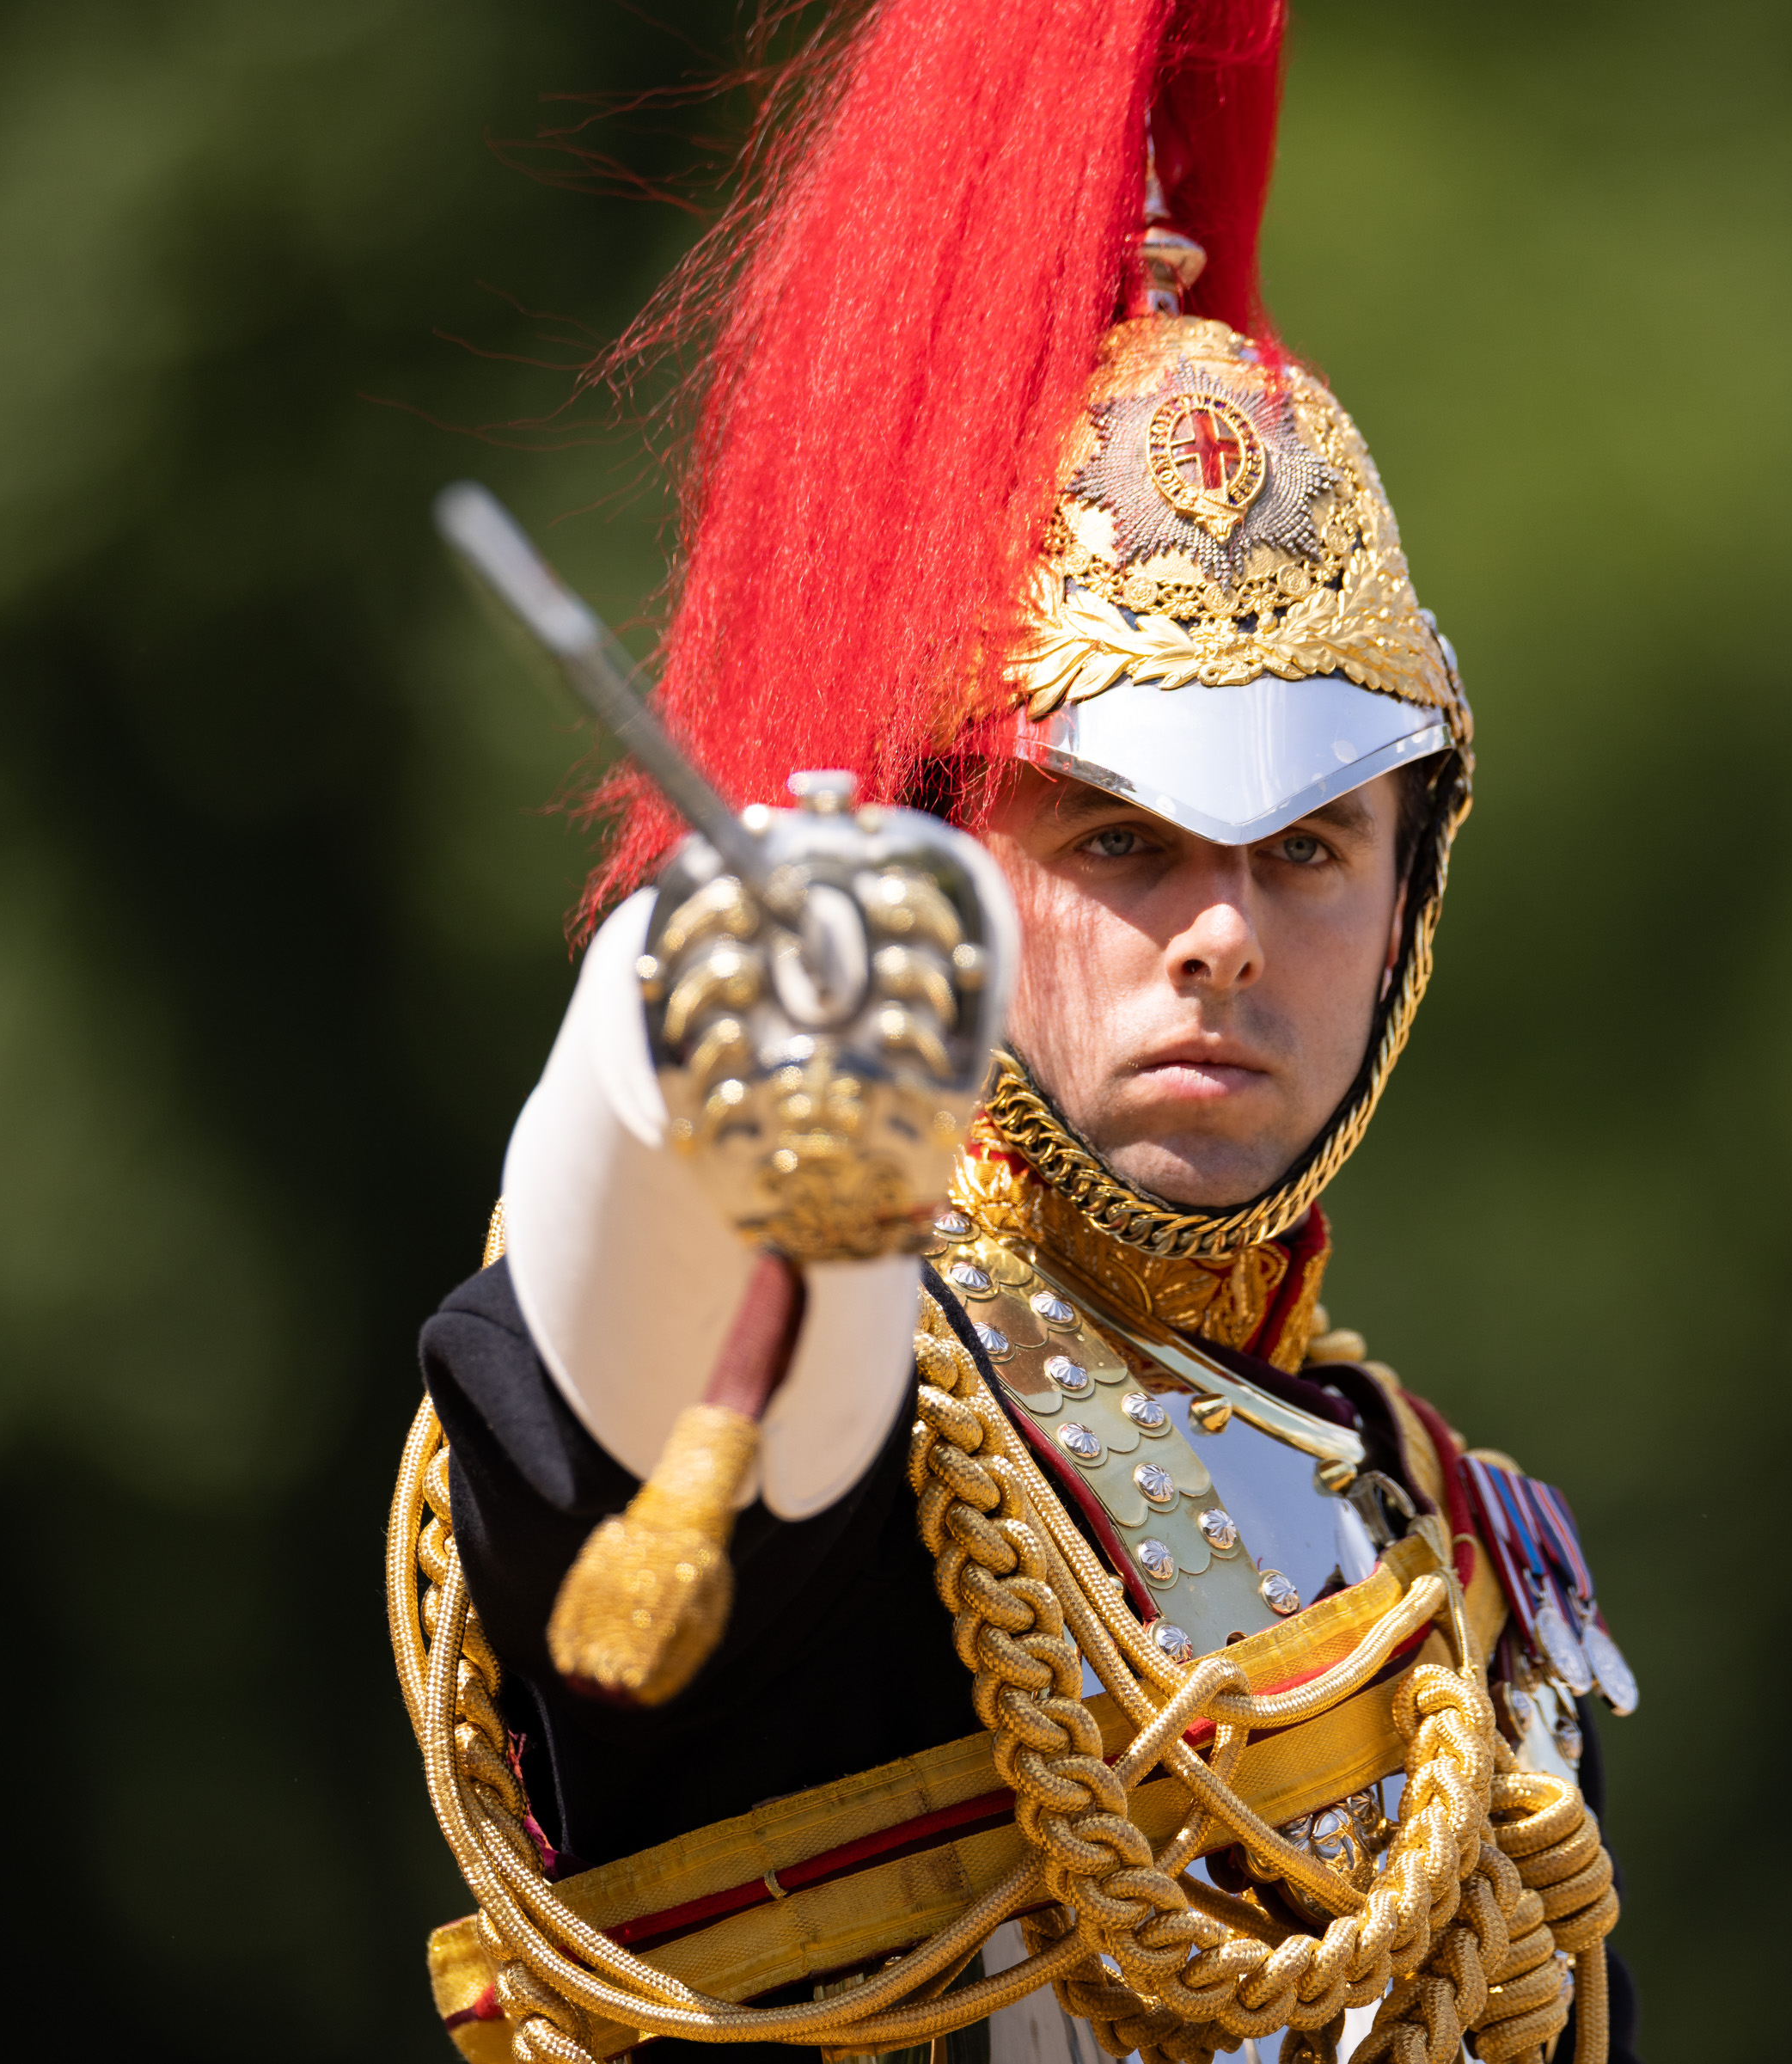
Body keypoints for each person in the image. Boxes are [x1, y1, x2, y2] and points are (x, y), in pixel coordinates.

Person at [388, 4, 1639, 2060]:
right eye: (1121, 838)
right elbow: (640, 1351)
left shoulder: (1455, 1553)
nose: (1222, 933)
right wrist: (717, 1015)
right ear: (953, 844)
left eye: (1310, 847)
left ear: (1411, 886)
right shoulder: (847, 1394)